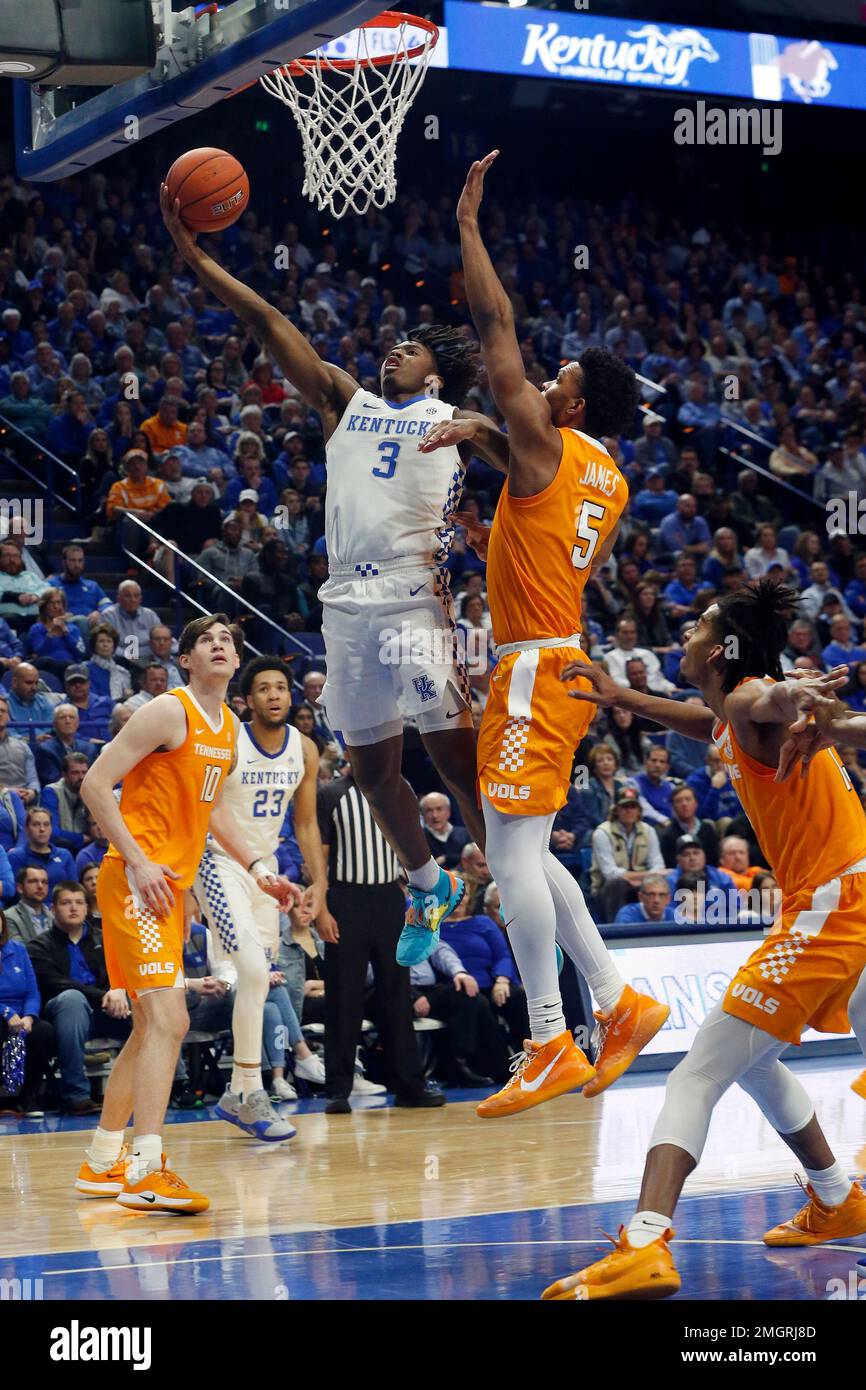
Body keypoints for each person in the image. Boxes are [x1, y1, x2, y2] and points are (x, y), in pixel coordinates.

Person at [161, 183, 510, 967]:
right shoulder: (343, 400)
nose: (395, 351)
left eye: (412, 349)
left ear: (436, 374)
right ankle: (426, 884)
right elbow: (269, 320)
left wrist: (482, 432)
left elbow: (526, 469)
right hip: (346, 603)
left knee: (456, 764)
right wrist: (196, 256)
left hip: (416, 598)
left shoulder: (455, 421)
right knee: (372, 770)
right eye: (394, 345)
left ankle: (516, 888)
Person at [544, 582, 866, 1300]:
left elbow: (763, 702)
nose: (682, 636)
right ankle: (837, 1195)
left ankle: (645, 1242)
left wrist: (796, 695)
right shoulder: (729, 718)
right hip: (845, 902)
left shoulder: (754, 697)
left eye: (695, 629)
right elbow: (702, 720)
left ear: (719, 651)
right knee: (754, 1061)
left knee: (697, 1073)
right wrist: (619, 698)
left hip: (833, 910)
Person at [448, 151, 668, 1118]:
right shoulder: (605, 476)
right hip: (565, 666)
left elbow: (495, 325)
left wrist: (467, 224)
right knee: (528, 858)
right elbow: (534, 484)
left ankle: (549, 1036)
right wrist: (485, 438)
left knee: (510, 862)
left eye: (555, 378)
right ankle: (616, 1003)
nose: (538, 380)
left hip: (535, 670)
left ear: (569, 407)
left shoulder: (544, 434)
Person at [75, 614, 297, 1212]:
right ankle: (145, 1167)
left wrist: (257, 869)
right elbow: (95, 784)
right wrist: (140, 861)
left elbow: (212, 814)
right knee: (170, 1020)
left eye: (228, 640)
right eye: (208, 640)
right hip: (136, 881)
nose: (221, 646)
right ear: (187, 659)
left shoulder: (226, 727)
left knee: (150, 1027)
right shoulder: (168, 711)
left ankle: (101, 1162)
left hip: (171, 891)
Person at [195, 655, 332, 1141]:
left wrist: (319, 886)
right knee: (252, 972)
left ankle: (240, 1091)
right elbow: (206, 810)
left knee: (259, 982)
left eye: (281, 687)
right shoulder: (228, 741)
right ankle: (250, 1091)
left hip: (266, 875)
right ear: (247, 700)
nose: (274, 695)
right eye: (264, 689)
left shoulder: (305, 749)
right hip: (217, 863)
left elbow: (306, 823)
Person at [316, 764, 443, 1112]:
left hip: (389, 897)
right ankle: (338, 1090)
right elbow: (319, 855)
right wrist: (322, 909)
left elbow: (410, 844)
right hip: (345, 898)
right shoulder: (330, 794)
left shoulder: (399, 787)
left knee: (396, 993)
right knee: (343, 995)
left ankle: (408, 1085)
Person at [27, 880, 130, 1115]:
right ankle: (76, 1095)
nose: (73, 908)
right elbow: (54, 983)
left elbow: (124, 973)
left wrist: (119, 992)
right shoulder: (38, 945)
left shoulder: (107, 940)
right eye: (65, 903)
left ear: (87, 908)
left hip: (110, 1012)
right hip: (64, 1016)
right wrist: (106, 995)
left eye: (79, 903)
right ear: (53, 908)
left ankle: (174, 1084)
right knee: (71, 998)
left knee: (146, 1001)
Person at [0, 908, 54, 1118]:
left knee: (44, 1031)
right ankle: (6, 1097)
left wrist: (29, 1016)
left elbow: (32, 991)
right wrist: (6, 1013)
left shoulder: (18, 950)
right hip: (3, 1013)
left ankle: (27, 1097)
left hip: (21, 1015)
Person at [590, 785, 666, 921]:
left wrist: (644, 881)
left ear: (639, 811)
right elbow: (610, 873)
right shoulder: (602, 833)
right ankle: (616, 931)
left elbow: (658, 865)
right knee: (617, 884)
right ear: (616, 810)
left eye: (633, 807)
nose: (629, 811)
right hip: (607, 890)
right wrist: (646, 876)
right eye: (624, 807)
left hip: (643, 885)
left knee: (661, 884)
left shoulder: (648, 831)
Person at [8, 807, 77, 892]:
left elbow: (74, 888)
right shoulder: (16, 856)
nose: (42, 829)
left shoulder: (65, 855)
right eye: (36, 824)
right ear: (26, 828)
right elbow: (15, 891)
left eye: (46, 824)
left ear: (51, 828)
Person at [40, 752, 92, 855]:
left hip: (88, 849)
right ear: (64, 774)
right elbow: (52, 832)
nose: (81, 777)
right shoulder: (51, 792)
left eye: (84, 772)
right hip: (59, 850)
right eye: (75, 773)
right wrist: (81, 838)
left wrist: (88, 805)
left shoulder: (92, 792)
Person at [34, 703, 99, 785]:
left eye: (72, 717)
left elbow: (95, 777)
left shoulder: (89, 749)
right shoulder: (45, 750)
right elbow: (52, 780)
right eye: (62, 718)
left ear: (78, 723)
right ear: (54, 724)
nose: (68, 721)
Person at [0, 694, 40, 804]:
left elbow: (33, 780)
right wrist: (7, 791)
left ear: (8, 716)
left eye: (3, 711)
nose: (0, 714)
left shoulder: (22, 746)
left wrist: (31, 792)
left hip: (23, 802)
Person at [420, 791, 470, 869]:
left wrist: (446, 859)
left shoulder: (465, 834)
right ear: (423, 814)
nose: (435, 815)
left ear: (448, 812)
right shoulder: (419, 840)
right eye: (429, 811)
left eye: (439, 809)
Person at [4, 865, 52, 944]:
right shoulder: (8, 917)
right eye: (33, 881)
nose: (40, 886)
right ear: (20, 888)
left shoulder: (54, 917)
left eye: (44, 882)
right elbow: (20, 951)